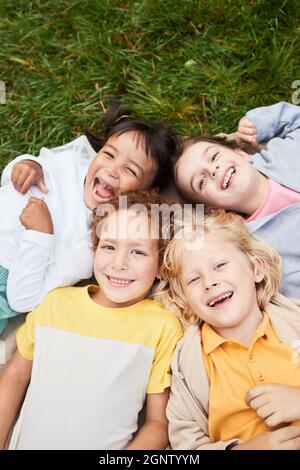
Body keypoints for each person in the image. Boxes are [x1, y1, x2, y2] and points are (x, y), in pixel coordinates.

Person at [0, 190, 182, 450]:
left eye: (138, 252)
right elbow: (16, 374)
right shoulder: (56, 303)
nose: (119, 263)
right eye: (109, 246)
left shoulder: (162, 326)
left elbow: (157, 424)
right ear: (94, 249)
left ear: (161, 264)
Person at [0, 101, 179, 335]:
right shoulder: (72, 163)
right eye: (109, 154)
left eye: (131, 170)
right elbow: (11, 180)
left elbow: (22, 300)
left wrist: (40, 234)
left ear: (142, 194)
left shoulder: (93, 244)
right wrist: (26, 164)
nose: (113, 169)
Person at [155, 210, 300, 450]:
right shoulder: (189, 365)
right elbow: (186, 446)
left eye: (220, 265)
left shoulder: (294, 321)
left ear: (256, 269)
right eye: (193, 279)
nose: (209, 282)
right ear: (185, 300)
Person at [175, 101, 300, 297]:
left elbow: (294, 119)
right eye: (201, 181)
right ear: (213, 209)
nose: (212, 170)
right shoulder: (259, 245)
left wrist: (257, 123)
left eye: (214, 156)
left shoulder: (282, 151)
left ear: (240, 152)